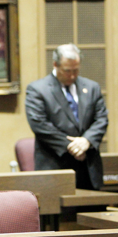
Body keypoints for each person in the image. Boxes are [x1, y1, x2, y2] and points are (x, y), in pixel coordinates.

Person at [25, 44, 108, 190]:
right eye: (67, 71)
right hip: (55, 167)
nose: (72, 76)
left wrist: (86, 141)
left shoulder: (92, 87)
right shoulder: (38, 90)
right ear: (55, 65)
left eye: (76, 70)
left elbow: (101, 119)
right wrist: (72, 146)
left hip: (88, 169)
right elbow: (39, 124)